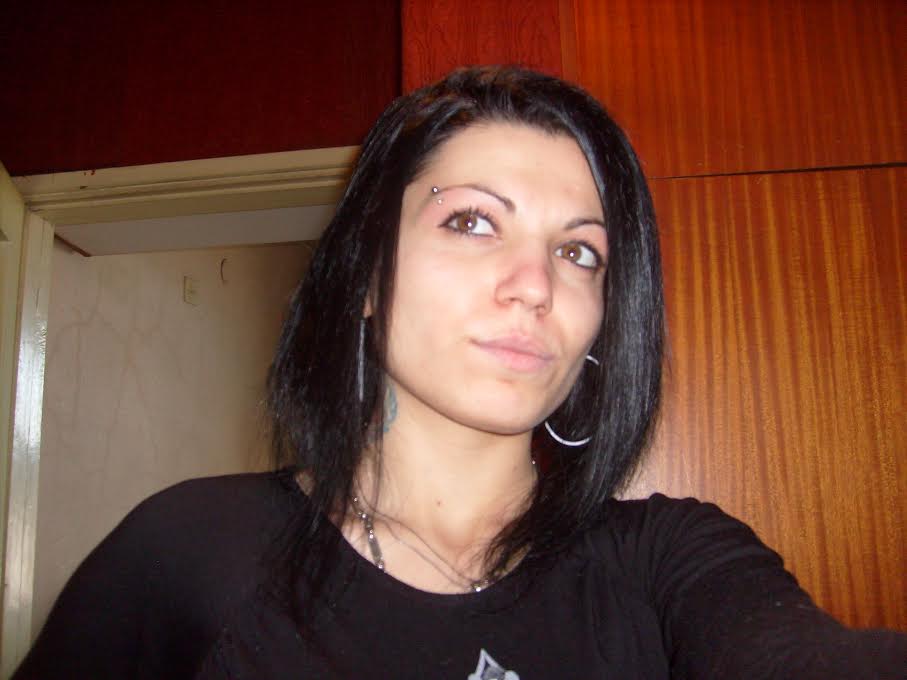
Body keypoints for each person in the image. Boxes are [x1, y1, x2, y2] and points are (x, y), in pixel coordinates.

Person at [13, 66, 905, 679]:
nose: (534, 286)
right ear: (366, 277)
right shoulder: (192, 550)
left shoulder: (667, 560)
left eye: (579, 252)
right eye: (472, 222)